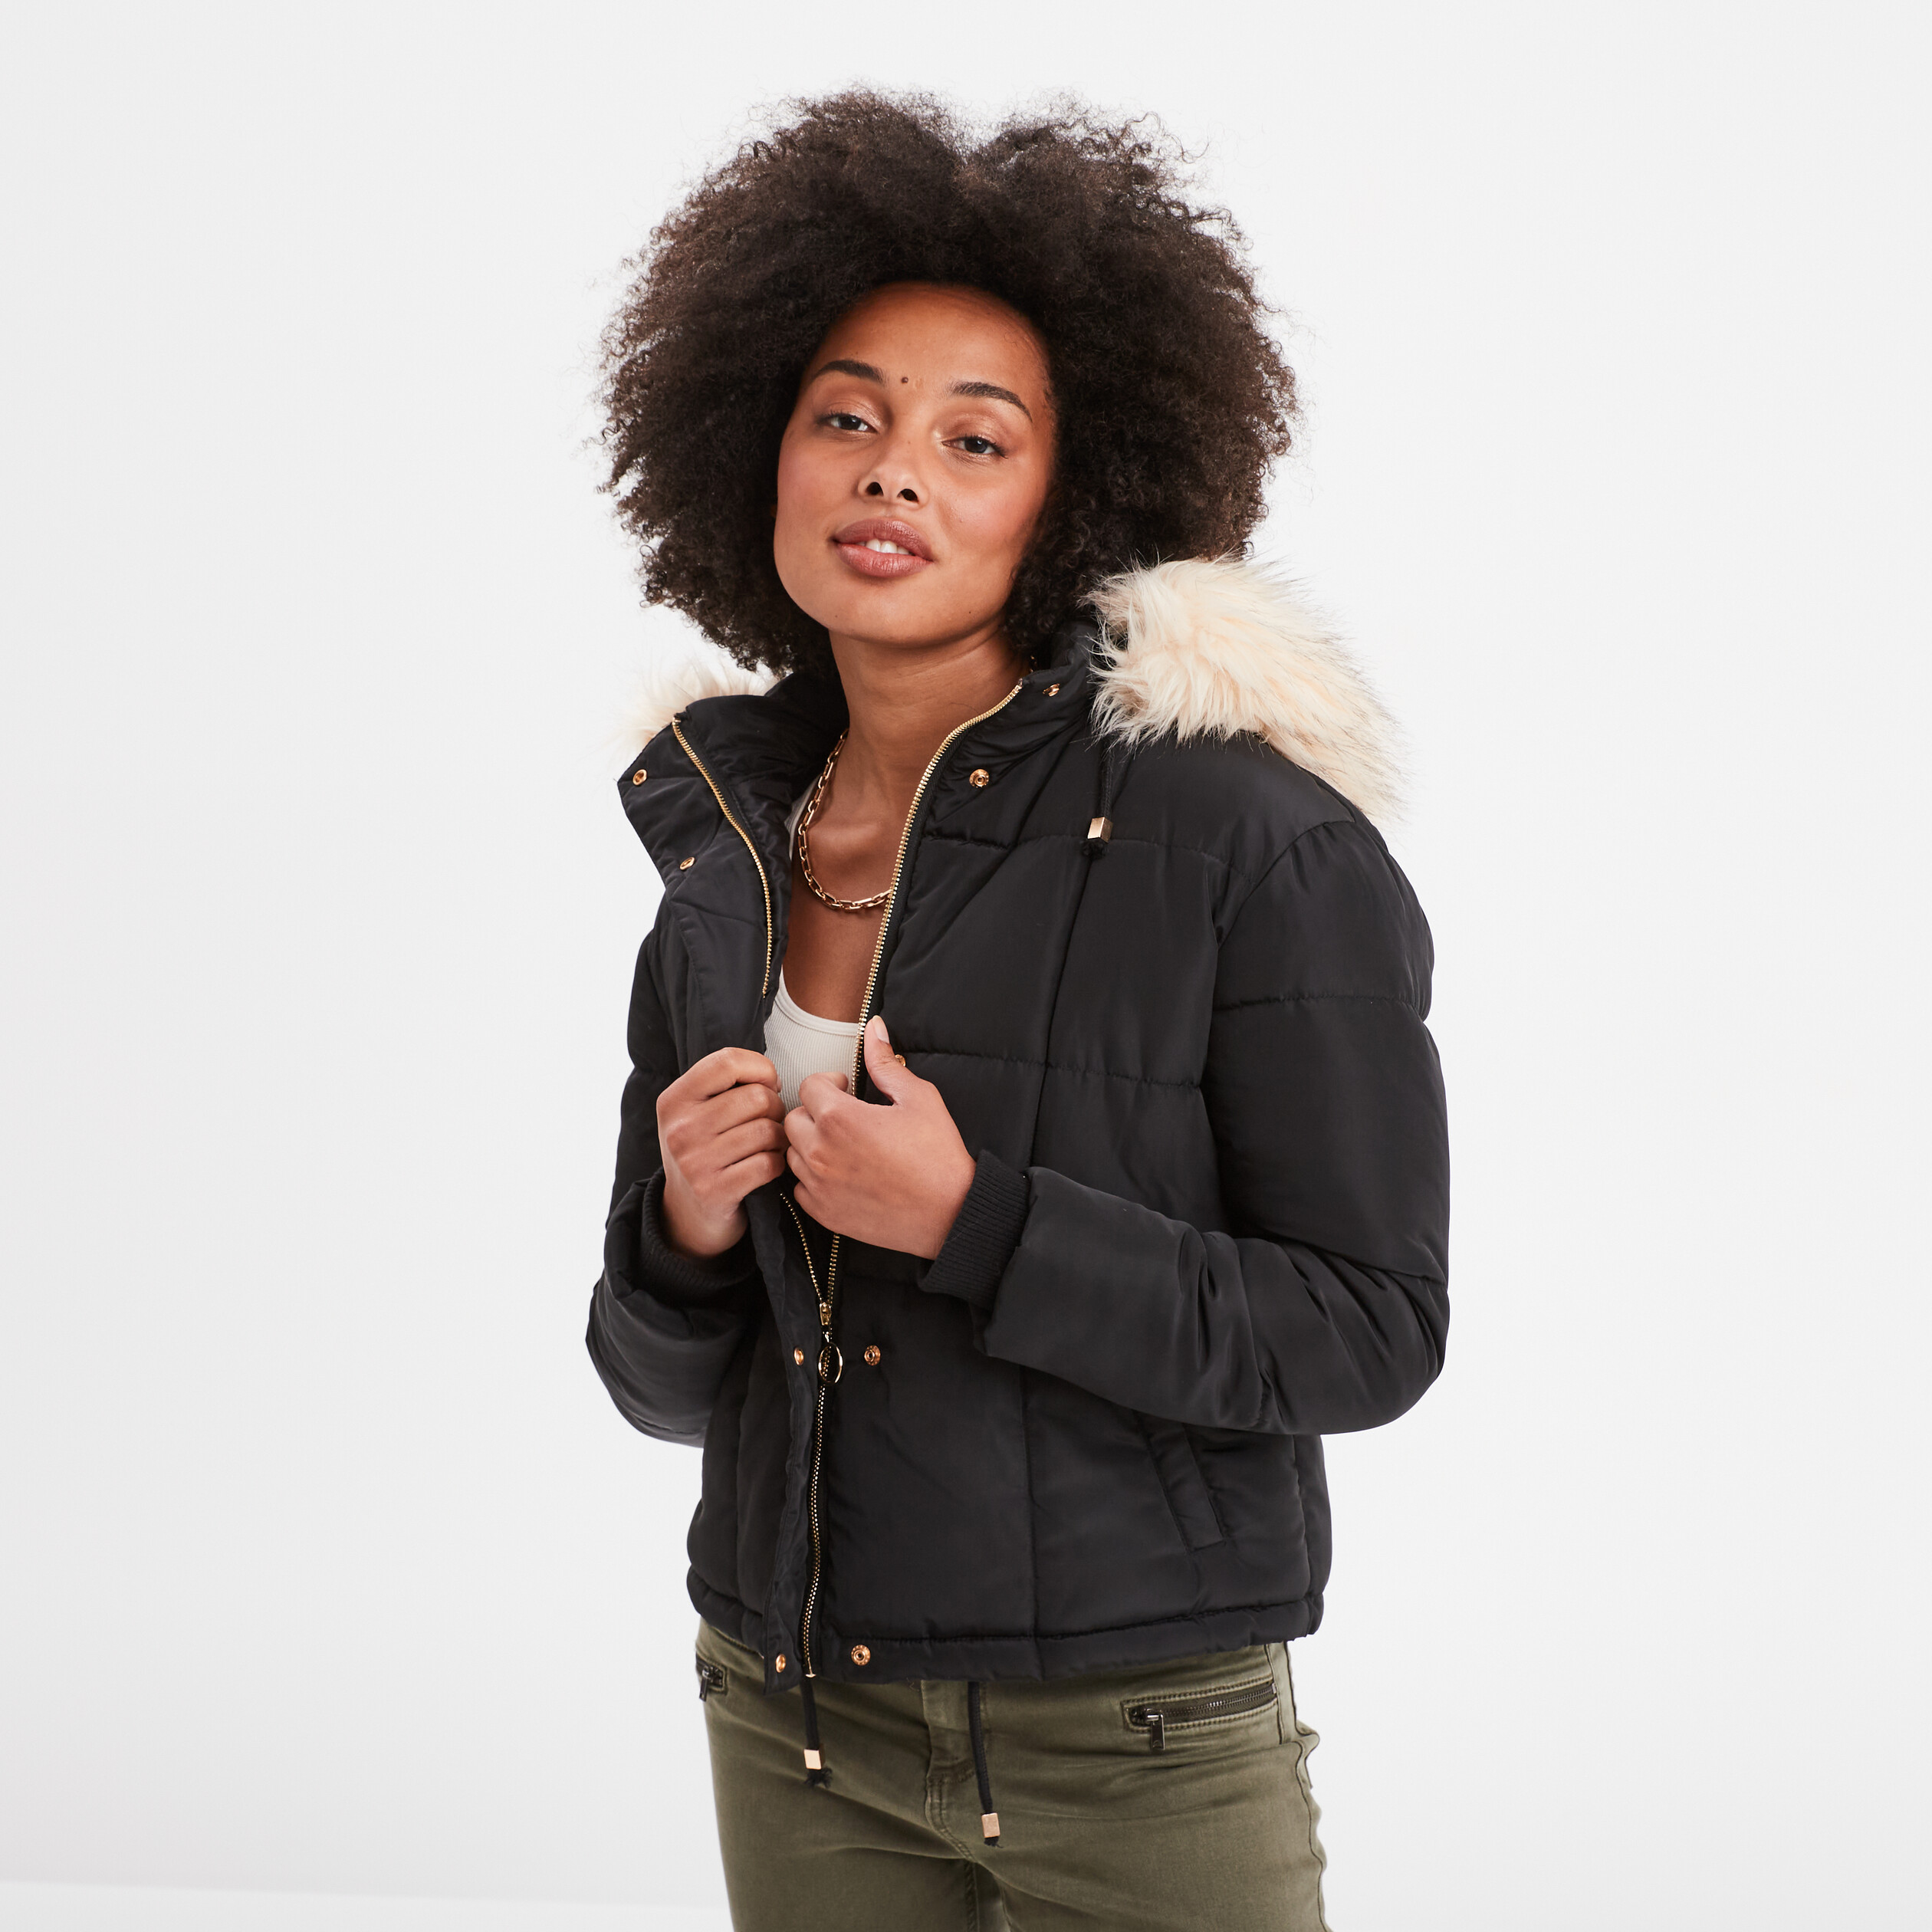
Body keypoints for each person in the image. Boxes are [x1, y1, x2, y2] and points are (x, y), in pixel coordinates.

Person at [586, 92, 1449, 1932]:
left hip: (1137, 1746)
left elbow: (1371, 1331)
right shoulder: (726, 854)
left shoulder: (1244, 837)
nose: (893, 474)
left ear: (1076, 501)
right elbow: (661, 1393)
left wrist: (977, 1221)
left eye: (974, 440)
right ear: (757, 455)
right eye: (846, 419)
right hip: (793, 1728)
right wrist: (683, 1231)